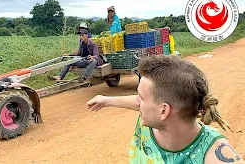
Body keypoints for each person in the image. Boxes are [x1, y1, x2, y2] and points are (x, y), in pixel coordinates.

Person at [87, 55, 244, 163]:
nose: (137, 102)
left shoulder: (212, 153)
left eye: (141, 97)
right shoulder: (152, 119)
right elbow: (136, 103)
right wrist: (106, 100)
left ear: (164, 111)